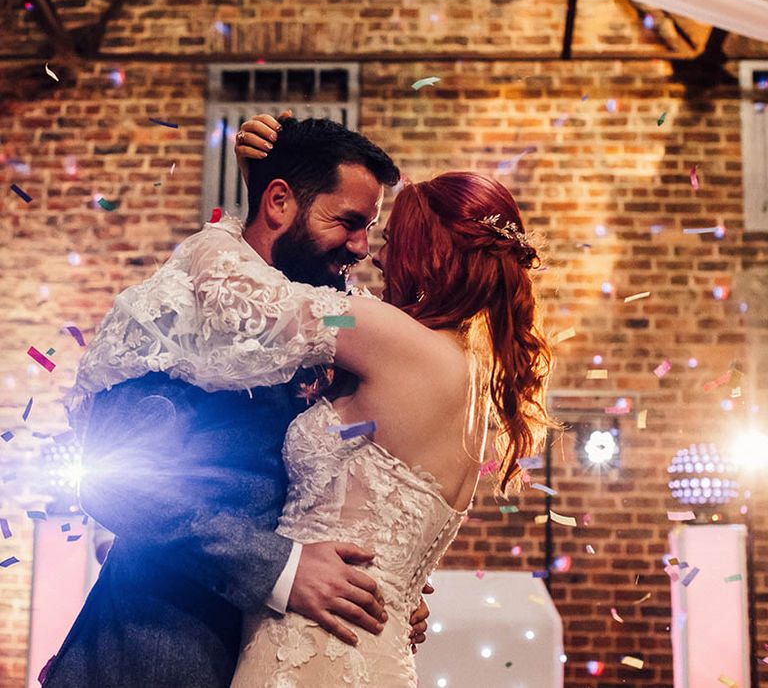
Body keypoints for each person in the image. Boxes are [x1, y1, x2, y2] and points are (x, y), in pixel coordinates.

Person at [42, 117, 430, 688]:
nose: (360, 247)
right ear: (279, 203)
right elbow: (120, 485)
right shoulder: (174, 315)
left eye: (368, 228)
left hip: (289, 658)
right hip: (160, 653)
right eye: (347, 222)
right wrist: (282, 569)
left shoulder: (337, 316)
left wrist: (391, 587)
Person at [222, 116, 554, 685]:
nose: (374, 257)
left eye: (393, 242)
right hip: (375, 654)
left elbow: (239, 295)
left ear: (428, 256)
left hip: (310, 656)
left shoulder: (385, 335)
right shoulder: (475, 383)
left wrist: (261, 205)